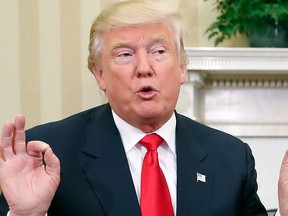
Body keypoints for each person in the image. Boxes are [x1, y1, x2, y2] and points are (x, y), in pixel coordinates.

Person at [0, 0, 287, 215]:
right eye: (125, 54)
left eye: (158, 52)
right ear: (100, 74)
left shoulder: (232, 158)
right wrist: (25, 214)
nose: (144, 68)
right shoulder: (48, 155)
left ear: (182, 68)